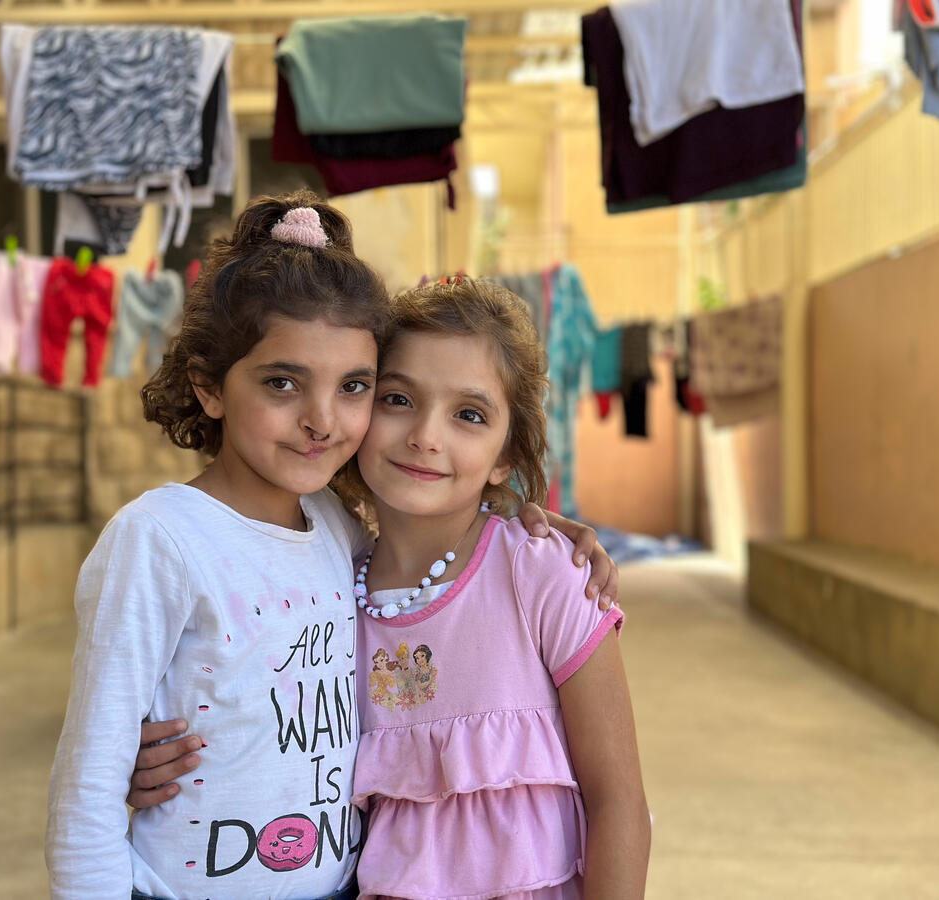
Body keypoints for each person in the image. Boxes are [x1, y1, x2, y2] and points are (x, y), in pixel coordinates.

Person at [46, 191, 619, 900]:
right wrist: (122, 764)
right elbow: (86, 791)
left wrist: (526, 512)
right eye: (282, 383)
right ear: (209, 386)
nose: (321, 421)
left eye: (354, 387)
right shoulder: (158, 539)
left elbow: (441, 505)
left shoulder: (336, 530)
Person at [341, 276, 651, 899]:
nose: (427, 435)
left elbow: (620, 807)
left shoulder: (542, 577)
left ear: (505, 456)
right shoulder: (327, 584)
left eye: (470, 415)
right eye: (397, 399)